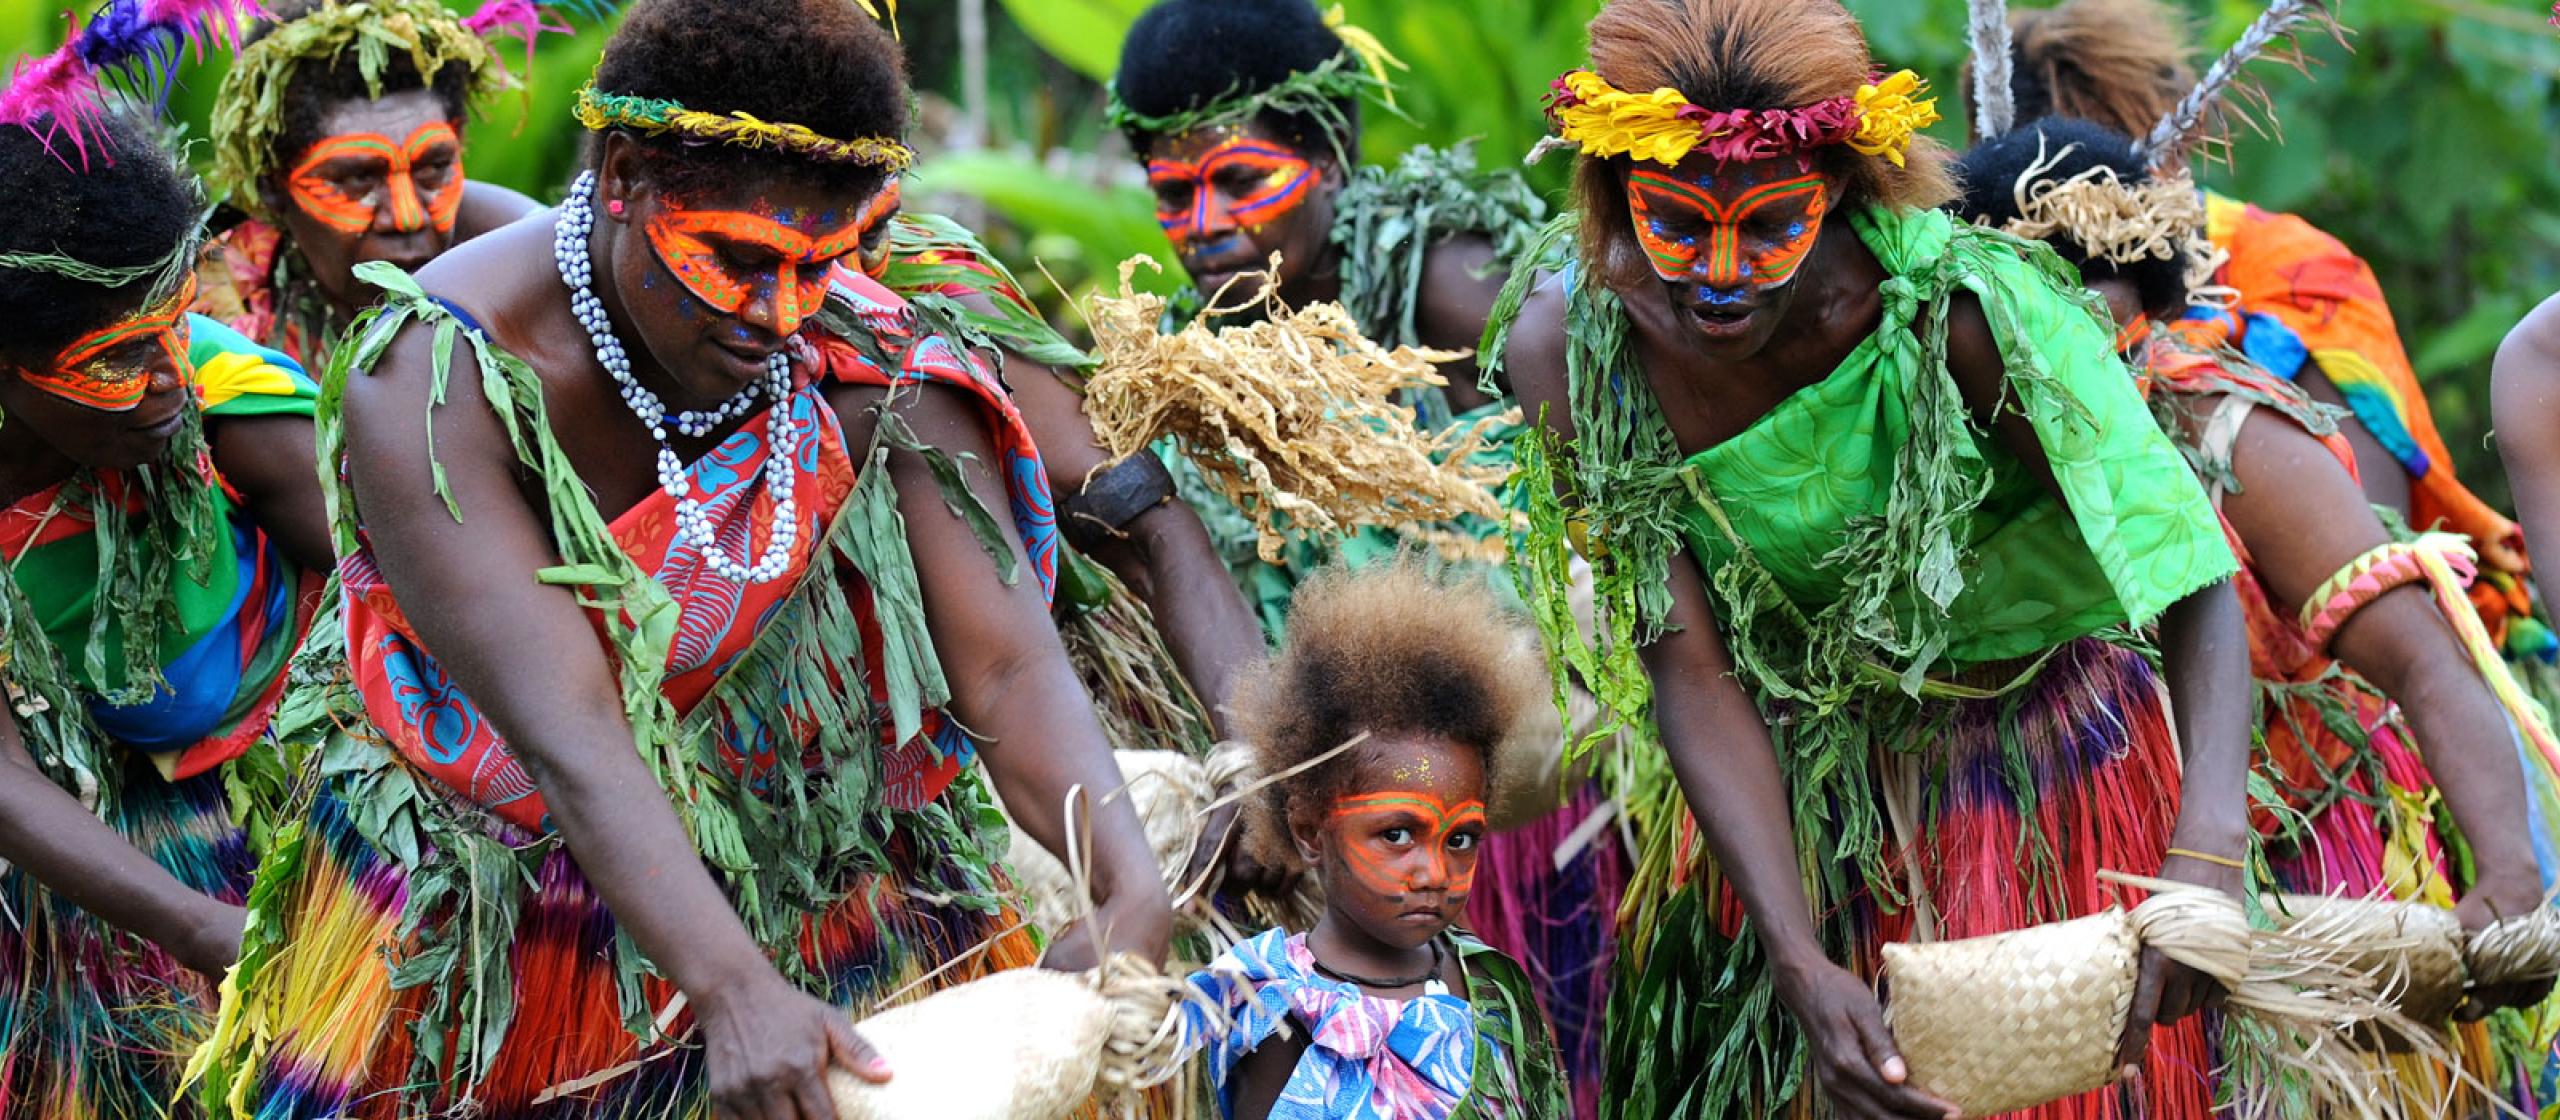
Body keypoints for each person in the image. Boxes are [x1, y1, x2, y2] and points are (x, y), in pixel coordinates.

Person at [187, 1, 1174, 1116]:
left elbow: (1003, 664)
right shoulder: (428, 378)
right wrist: (734, 988)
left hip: (820, 863)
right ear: (621, 177)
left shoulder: (859, 352)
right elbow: (571, 730)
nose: (781, 313)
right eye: (736, 261)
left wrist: (1128, 885)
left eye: (824, 262)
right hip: (506, 909)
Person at [1485, 2, 2259, 1116]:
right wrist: (1797, 959)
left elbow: (2184, 567)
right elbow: (1688, 667)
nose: (1719, 275)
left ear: (1838, 189)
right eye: (1673, 222)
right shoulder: (1577, 350)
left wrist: (2206, 852)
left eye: (1767, 226)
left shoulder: (1963, 312)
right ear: (1612, 194)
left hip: (2061, 773)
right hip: (1823, 810)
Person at [1109, 6, 1626, 1110]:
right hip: (1312, 842)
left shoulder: (1452, 289)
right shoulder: (1184, 364)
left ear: (1329, 158)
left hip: (1514, 819)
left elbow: (1605, 509)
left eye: (1240, 181)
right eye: (1172, 193)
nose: (1204, 227)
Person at [1954, 118, 2556, 1042]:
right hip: (2044, 868)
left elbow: (2423, 663)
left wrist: (2510, 878)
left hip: (2298, 857)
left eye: (2098, 327)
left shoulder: (2215, 423)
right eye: (2040, 321)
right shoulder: (1937, 442)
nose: (2073, 362)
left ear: (2148, 311)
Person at [1993, 0, 2548, 662]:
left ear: (2157, 153)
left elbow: (2378, 543)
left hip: (2345, 679)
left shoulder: (2294, 275)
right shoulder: (1989, 301)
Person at [0, 75, 329, 1117]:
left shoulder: (230, 399)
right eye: (114, 359)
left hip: (277, 769)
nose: (170, 377)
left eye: (174, 324)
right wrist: (204, 931)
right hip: (70, 841)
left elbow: (413, 592)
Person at [1182, 559, 1570, 1119]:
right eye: (1396, 834)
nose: (1434, 872)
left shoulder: (1486, 985)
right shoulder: (1275, 1007)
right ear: (1311, 834)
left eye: (1460, 839)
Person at [193, 0, 548, 366]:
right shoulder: (208, 309)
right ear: (273, 186)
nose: (407, 218)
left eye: (433, 167)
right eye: (358, 179)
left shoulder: (536, 273)